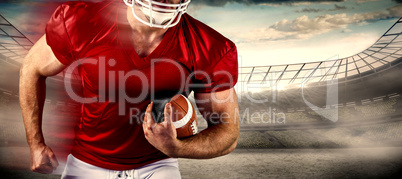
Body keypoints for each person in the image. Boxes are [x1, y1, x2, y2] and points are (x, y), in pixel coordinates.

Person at [19, 0, 239, 178]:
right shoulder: (82, 20)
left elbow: (227, 131)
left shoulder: (211, 47)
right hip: (87, 163)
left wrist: (177, 149)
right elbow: (32, 69)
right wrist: (35, 143)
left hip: (157, 165)